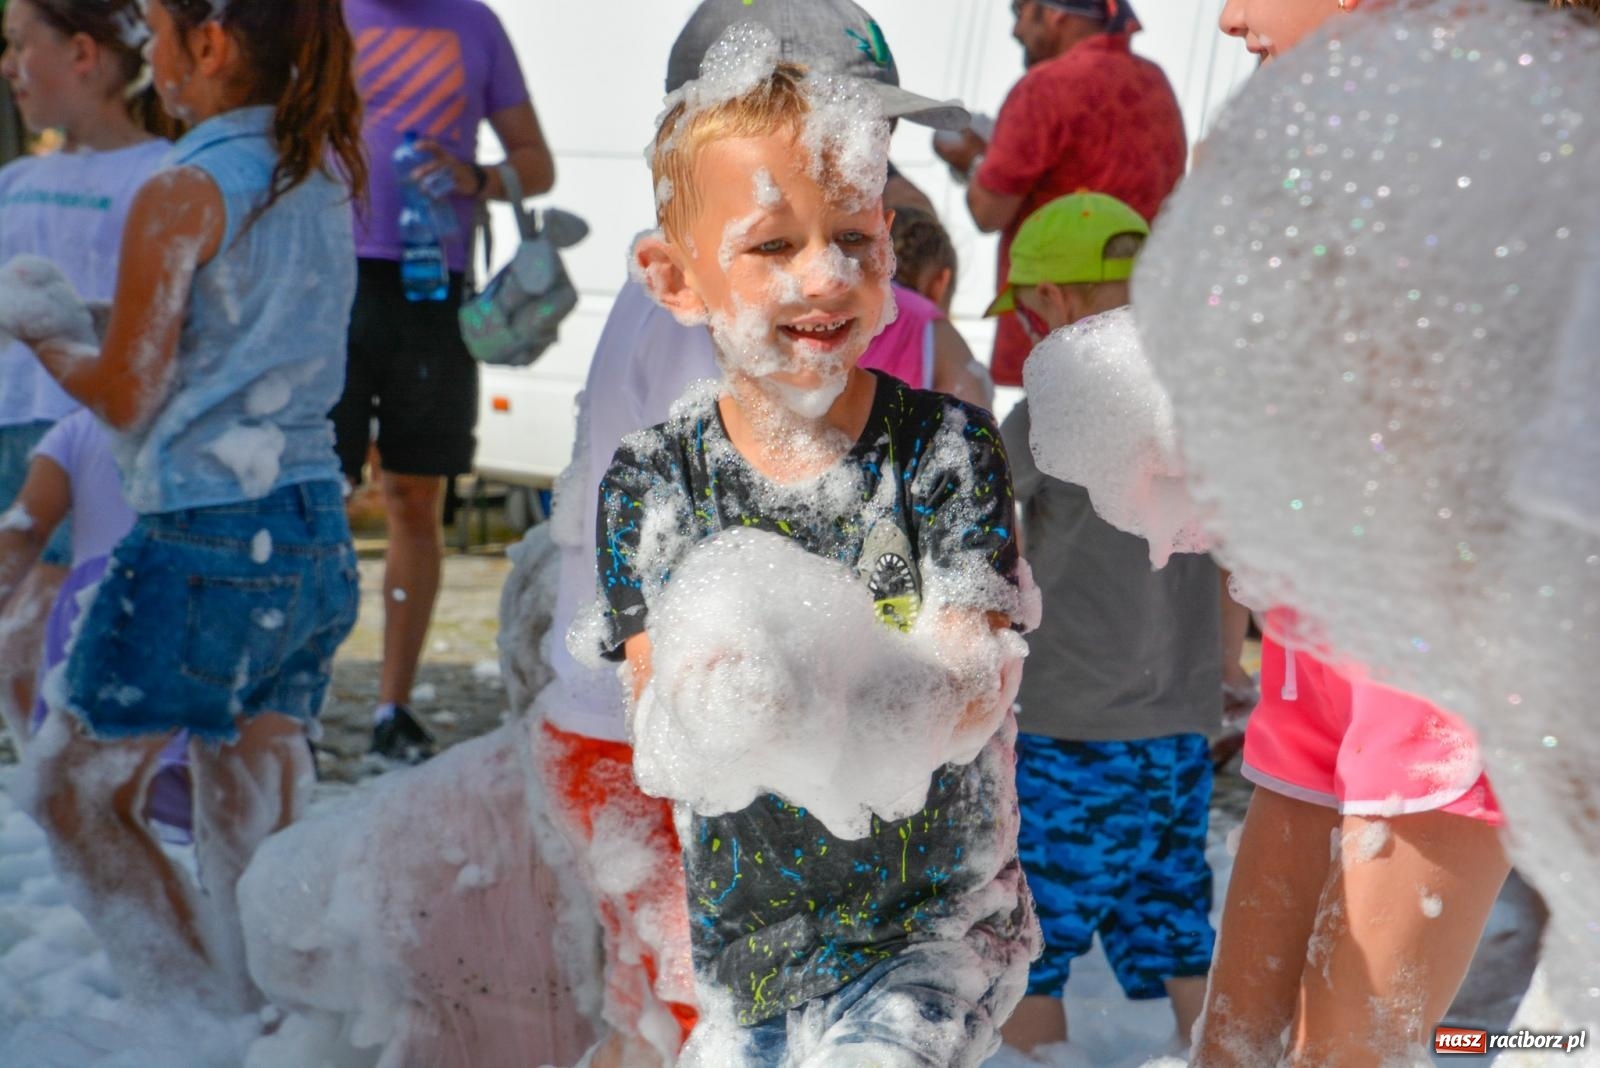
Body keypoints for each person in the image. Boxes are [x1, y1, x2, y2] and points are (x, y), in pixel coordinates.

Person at [598, 40, 1039, 1064]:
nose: (826, 274)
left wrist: (817, 697)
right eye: (772, 244)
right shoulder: (654, 482)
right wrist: (731, 699)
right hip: (749, 954)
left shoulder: (942, 450)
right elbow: (658, 720)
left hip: (934, 933)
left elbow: (974, 687)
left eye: (851, 236)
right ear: (675, 278)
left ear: (889, 243)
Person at [3, 0, 364, 1012]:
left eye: (157, 28)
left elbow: (127, 394)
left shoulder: (183, 187)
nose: (147, 51)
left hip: (204, 538)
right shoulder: (319, 176)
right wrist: (95, 326)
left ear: (208, 44)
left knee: (68, 794)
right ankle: (272, 1025)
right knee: (248, 813)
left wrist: (41, 330)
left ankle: (194, 1024)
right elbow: (223, 343)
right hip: (312, 531)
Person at [991, 194, 1217, 1054]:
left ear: (1054, 300)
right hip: (1180, 730)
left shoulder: (1060, 400)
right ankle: (1213, 1051)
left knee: (1030, 950)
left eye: (1026, 311)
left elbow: (981, 515)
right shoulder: (1198, 400)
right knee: (1178, 929)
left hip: (1073, 730)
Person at [334, 0, 555, 763]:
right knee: (318, 496)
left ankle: (392, 707)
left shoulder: (474, 23)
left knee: (414, 495)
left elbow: (537, 163)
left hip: (434, 287)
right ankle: (295, 698)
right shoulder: (319, 14)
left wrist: (476, 176)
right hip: (330, 275)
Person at [0, 0, 171, 748]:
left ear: (82, 55)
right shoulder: (15, 182)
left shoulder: (164, 175)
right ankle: (35, 767)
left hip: (94, 435)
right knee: (15, 627)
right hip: (10, 423)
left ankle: (66, 767)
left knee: (55, 619)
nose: (7, 66)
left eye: (18, 44)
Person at [933, 0, 1185, 388]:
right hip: (1137, 322)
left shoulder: (1044, 87)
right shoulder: (1154, 82)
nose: (1015, 30)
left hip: (1054, 326)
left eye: (1020, 11)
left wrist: (971, 159)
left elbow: (987, 211)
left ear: (1055, 13)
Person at [0, 410, 192, 840]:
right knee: (218, 801)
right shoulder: (224, 418)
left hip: (101, 629)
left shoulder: (77, 429)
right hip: (198, 614)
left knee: (97, 808)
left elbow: (25, 530)